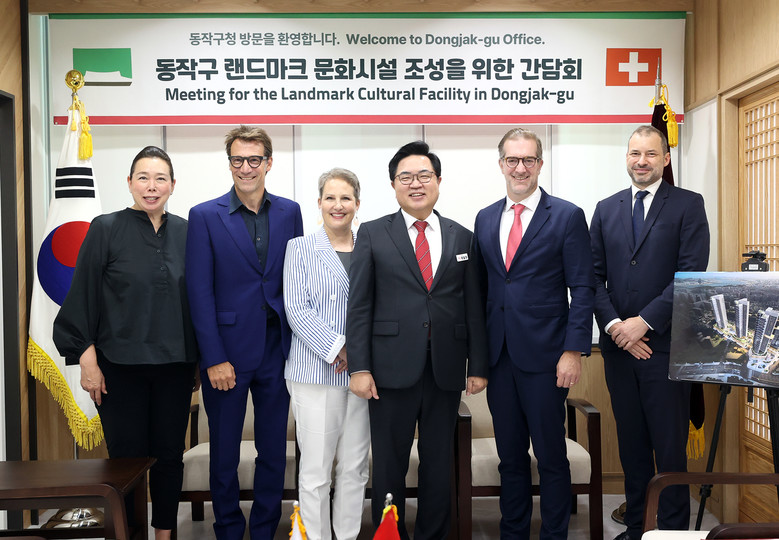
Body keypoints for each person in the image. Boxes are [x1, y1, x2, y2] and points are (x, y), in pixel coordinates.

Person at [53, 146, 198, 540]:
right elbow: (82, 295)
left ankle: (165, 534)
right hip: (118, 368)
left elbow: (200, 299)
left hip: (175, 366)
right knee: (126, 462)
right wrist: (87, 361)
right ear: (130, 182)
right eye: (143, 178)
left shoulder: (189, 232)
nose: (151, 186)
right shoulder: (106, 228)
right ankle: (130, 534)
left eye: (160, 179)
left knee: (169, 457)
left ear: (172, 185)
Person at [347, 140, 488, 540]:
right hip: (389, 369)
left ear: (438, 181)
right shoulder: (373, 233)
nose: (416, 183)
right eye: (405, 176)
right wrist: (359, 367)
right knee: (389, 464)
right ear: (393, 184)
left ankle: (433, 534)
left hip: (445, 368)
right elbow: (359, 306)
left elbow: (473, 307)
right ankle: (390, 535)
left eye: (424, 175)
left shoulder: (463, 236)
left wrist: (478, 366)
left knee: (438, 462)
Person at [472, 128, 595, 539]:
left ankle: (554, 535)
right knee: (510, 458)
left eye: (528, 160)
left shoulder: (567, 216)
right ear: (501, 164)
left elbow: (583, 288)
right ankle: (514, 532)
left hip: (547, 358)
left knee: (550, 457)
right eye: (512, 160)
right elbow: (483, 291)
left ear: (540, 164)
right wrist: (478, 358)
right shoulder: (485, 217)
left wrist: (573, 350)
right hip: (499, 358)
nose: (520, 168)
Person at [589, 125, 710, 540]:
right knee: (632, 446)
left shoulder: (688, 204)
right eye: (635, 153)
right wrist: (616, 327)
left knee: (670, 449)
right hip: (619, 350)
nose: (641, 161)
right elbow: (592, 277)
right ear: (626, 157)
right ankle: (638, 527)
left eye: (651, 154)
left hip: (665, 348)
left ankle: (672, 532)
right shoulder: (606, 208)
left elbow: (691, 275)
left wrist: (644, 322)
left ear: (666, 159)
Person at [185, 126, 303, 540]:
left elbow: (297, 280)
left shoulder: (290, 212)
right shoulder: (204, 215)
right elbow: (199, 292)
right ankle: (229, 531)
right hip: (227, 354)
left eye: (255, 159)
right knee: (224, 455)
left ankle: (265, 530)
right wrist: (213, 357)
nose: (246, 168)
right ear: (230, 163)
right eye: (238, 159)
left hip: (278, 350)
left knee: (273, 452)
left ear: (269, 162)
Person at [283, 168, 369, 540]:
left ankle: (346, 536)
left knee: (355, 468)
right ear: (319, 203)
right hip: (315, 373)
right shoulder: (300, 248)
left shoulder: (371, 245)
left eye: (345, 198)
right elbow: (296, 309)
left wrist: (359, 355)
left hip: (362, 373)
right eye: (330, 198)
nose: (338, 205)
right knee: (316, 472)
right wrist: (340, 348)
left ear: (357, 203)